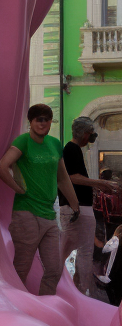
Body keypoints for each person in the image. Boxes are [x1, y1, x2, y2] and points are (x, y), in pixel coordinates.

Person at [0, 104, 81, 295]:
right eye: (38, 119)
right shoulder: (23, 141)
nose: (43, 123)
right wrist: (18, 189)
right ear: (31, 122)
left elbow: (62, 177)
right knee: (21, 268)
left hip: (49, 214)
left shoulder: (55, 144)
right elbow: (2, 167)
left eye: (47, 119)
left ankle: (45, 309)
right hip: (26, 213)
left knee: (54, 269)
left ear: (51, 121)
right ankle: (15, 311)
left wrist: (75, 205)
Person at [60, 117, 120, 296]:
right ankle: (78, 291)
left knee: (81, 251)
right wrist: (99, 183)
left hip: (79, 208)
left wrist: (97, 185)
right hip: (75, 208)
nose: (91, 137)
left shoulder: (74, 150)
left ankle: (79, 290)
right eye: (90, 133)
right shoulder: (71, 149)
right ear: (84, 133)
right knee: (79, 251)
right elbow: (71, 177)